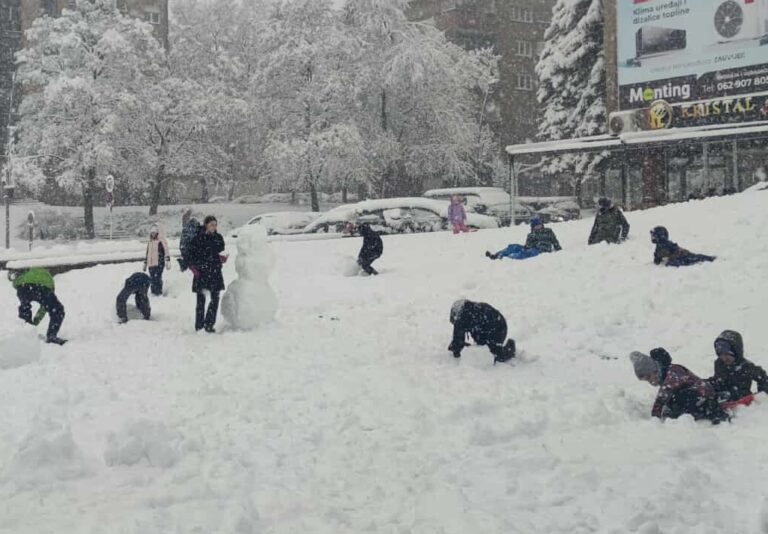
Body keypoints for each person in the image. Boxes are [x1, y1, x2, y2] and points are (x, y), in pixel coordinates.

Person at [630, 348, 727, 423]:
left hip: (703, 395)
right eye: (645, 379)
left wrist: (655, 418)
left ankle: (713, 412)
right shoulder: (663, 373)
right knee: (675, 401)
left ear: (654, 370)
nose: (649, 381)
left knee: (682, 398)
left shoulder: (672, 373)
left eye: (649, 377)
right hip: (691, 395)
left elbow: (661, 398)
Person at [187, 215, 226, 332]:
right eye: (211, 224)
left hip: (215, 273)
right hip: (202, 273)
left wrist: (222, 258)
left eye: (215, 224)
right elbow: (190, 255)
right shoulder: (198, 238)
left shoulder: (218, 238)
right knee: (201, 300)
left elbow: (221, 251)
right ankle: (199, 326)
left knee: (215, 298)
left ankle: (209, 324)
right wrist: (194, 267)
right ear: (206, 225)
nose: (213, 227)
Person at [708, 330, 768, 403]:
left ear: (736, 352)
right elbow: (718, 379)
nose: (724, 358)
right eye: (721, 355)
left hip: (742, 400)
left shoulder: (746, 366)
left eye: (727, 355)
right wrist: (708, 384)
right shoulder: (719, 364)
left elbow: (762, 377)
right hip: (723, 397)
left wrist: (762, 394)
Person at [448, 299, 516, 364]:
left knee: (491, 354)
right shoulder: (472, 310)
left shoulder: (462, 318)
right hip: (499, 324)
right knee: (483, 349)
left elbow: (457, 343)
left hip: (495, 329)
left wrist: (456, 348)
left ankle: (509, 349)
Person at [11, 267, 66, 345]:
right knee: (57, 310)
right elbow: (44, 308)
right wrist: (35, 322)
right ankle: (52, 336)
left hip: (22, 287)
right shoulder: (49, 281)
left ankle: (25, 334)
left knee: (25, 308)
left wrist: (31, 326)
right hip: (41, 288)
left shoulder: (32, 270)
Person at [486, 216, 561, 260]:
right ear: (533, 227)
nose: (538, 227)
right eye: (536, 226)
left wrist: (559, 250)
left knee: (525, 253)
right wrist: (531, 239)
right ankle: (496, 255)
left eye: (539, 225)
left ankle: (508, 258)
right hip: (532, 248)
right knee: (514, 247)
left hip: (541, 251)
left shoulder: (548, 231)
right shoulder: (531, 234)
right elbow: (528, 246)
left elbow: (554, 241)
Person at [650, 226, 715, 267]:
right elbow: (657, 255)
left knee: (695, 258)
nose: (653, 238)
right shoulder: (659, 246)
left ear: (661, 236)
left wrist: (671, 260)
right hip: (679, 255)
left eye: (654, 236)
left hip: (682, 254)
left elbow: (675, 251)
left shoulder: (666, 244)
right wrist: (657, 259)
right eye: (653, 236)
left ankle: (710, 258)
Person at [144, 225, 171, 296]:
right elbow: (147, 253)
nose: (153, 234)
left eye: (154, 233)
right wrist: (145, 263)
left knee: (157, 278)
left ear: (157, 233)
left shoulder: (160, 241)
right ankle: (153, 292)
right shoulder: (150, 242)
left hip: (159, 263)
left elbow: (166, 250)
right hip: (151, 264)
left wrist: (167, 260)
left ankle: (158, 292)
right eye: (152, 233)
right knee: (152, 278)